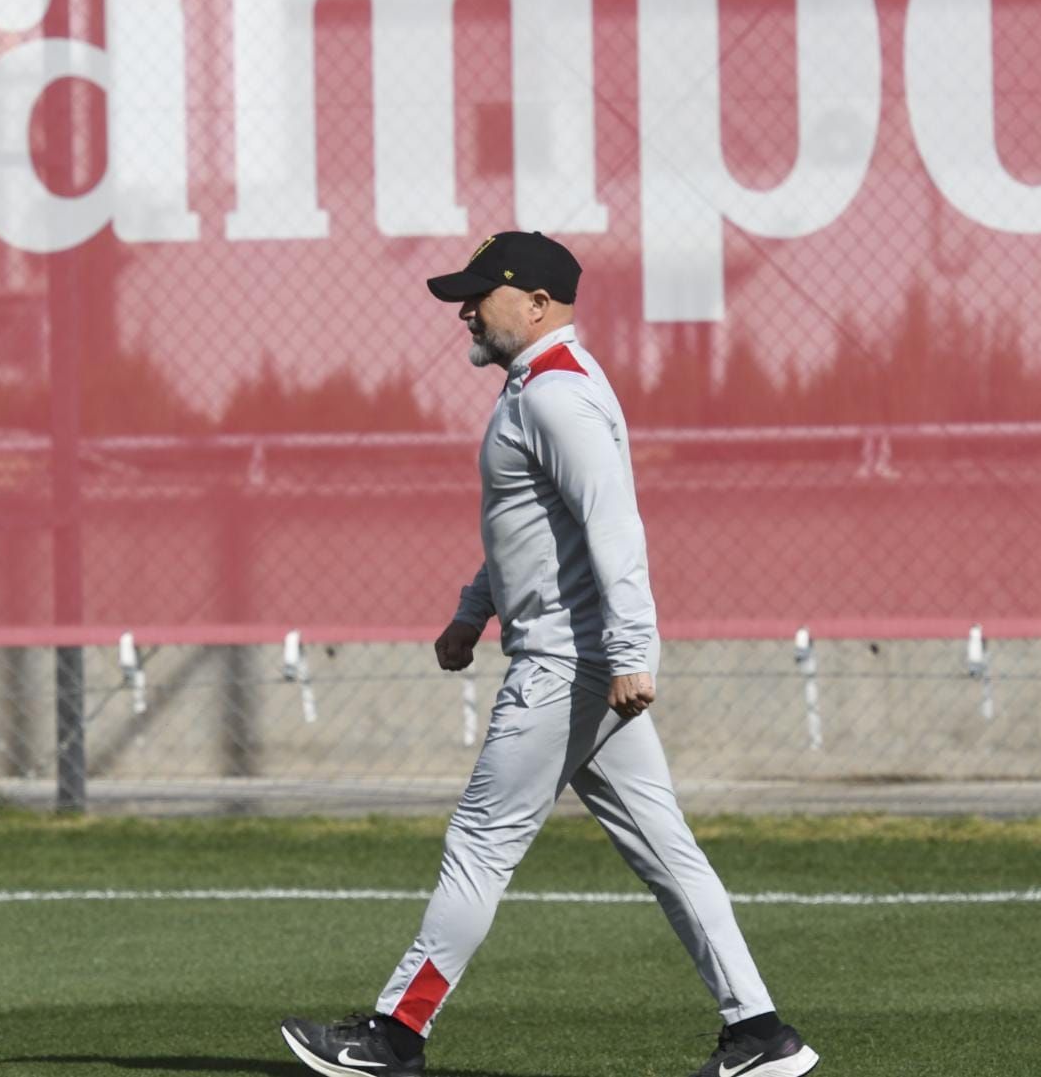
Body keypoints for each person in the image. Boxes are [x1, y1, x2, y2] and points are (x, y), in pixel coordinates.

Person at [280, 232, 819, 1077]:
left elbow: (612, 527)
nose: (464, 309)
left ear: (536, 304)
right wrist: (473, 610)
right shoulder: (543, 386)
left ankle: (394, 1035)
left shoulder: (554, 395)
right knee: (667, 850)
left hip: (567, 667)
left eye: (479, 294)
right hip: (586, 665)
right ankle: (761, 1034)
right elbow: (535, 532)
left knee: (480, 843)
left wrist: (635, 648)